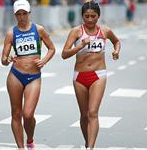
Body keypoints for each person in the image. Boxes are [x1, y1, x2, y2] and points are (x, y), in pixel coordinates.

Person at [62, 1, 120, 149]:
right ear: (82, 16)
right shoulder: (76, 32)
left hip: (98, 75)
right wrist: (80, 45)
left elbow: (116, 41)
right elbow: (64, 54)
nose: (89, 19)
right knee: (84, 115)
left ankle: (90, 148)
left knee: (93, 112)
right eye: (86, 16)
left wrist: (116, 51)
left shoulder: (105, 31)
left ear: (98, 16)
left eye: (92, 16)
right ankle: (88, 142)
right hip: (79, 76)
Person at [1, 0, 55, 149]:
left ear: (29, 13)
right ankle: (21, 147)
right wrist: (8, 59)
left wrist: (43, 61)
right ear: (15, 15)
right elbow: (3, 60)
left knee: (28, 114)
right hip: (15, 75)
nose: (22, 17)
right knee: (16, 114)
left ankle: (30, 140)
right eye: (18, 14)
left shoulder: (39, 30)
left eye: (24, 13)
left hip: (33, 77)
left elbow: (51, 48)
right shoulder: (11, 33)